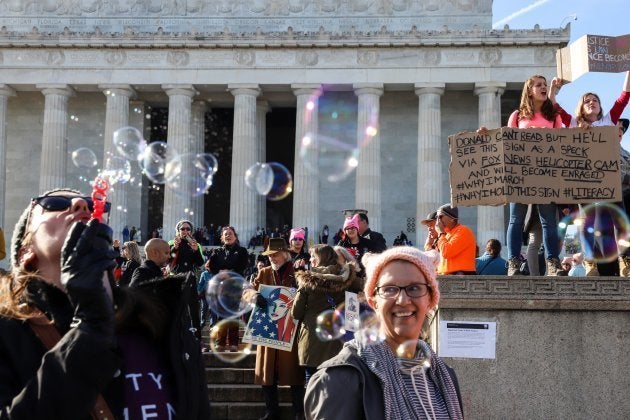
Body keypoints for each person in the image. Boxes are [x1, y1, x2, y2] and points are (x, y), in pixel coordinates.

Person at [0, 188, 210, 419]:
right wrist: (90, 326)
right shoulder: (8, 332)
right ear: (25, 253)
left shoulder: (162, 323)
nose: (82, 204)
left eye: (92, 204)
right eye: (55, 203)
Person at [304, 246, 464, 419]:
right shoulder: (341, 378)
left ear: (430, 299)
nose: (403, 300)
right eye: (389, 289)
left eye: (415, 288)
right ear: (374, 301)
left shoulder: (444, 375)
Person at [484, 75, 566, 276]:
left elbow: (562, 143)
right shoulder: (518, 115)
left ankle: (553, 263)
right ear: (529, 91)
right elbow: (506, 141)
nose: (543, 88)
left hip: (546, 173)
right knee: (516, 219)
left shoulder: (554, 117)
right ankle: (513, 262)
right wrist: (488, 135)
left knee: (549, 221)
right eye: (538, 85)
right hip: (520, 173)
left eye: (545, 85)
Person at [552, 72, 630, 276]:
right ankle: (591, 262)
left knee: (619, 219)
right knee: (588, 221)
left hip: (608, 180)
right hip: (584, 182)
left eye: (595, 100)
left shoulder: (608, 120)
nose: (592, 102)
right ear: (581, 106)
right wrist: (554, 90)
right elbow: (554, 108)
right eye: (587, 100)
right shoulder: (572, 123)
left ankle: (625, 259)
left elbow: (624, 96)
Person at [242, 238, 305, 420]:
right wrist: (254, 296)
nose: (272, 258)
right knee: (266, 372)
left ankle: (299, 412)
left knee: (294, 372)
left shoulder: (298, 273)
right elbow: (247, 291)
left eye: (275, 255)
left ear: (286, 254)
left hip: (289, 329)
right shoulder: (263, 272)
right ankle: (272, 412)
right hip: (267, 328)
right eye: (269, 256)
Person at [292, 245, 361, 385]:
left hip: (312, 341)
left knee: (313, 385)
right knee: (336, 386)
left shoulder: (306, 279)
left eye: (313, 256)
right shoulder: (348, 279)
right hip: (338, 341)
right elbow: (352, 315)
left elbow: (296, 313)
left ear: (321, 258)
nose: (310, 260)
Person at [435, 204, 476, 275]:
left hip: (460, 276)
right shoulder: (446, 234)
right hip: (446, 276)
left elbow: (446, 252)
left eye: (441, 217)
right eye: (437, 217)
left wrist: (441, 233)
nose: (438, 221)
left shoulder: (463, 231)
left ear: (452, 218)